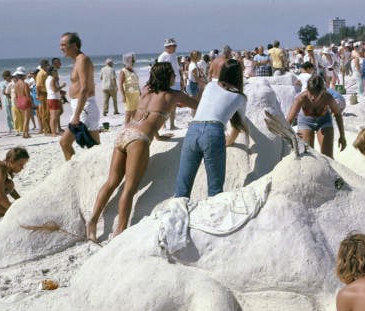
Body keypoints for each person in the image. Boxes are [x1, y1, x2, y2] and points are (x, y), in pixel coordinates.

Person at [87, 62, 198, 242]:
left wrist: (159, 136)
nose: (175, 77)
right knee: (130, 188)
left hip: (123, 133)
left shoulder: (146, 89)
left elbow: (147, 115)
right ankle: (119, 231)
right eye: (173, 74)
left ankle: (92, 222)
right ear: (167, 76)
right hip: (138, 139)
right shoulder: (174, 95)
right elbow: (199, 105)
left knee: (111, 181)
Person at [174, 59, 248, 199]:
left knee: (182, 186)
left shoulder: (210, 86)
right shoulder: (240, 97)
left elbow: (206, 104)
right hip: (214, 131)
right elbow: (237, 126)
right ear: (239, 76)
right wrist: (229, 141)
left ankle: (176, 217)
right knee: (215, 190)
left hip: (193, 130)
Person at [59, 32, 101, 161]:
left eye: (64, 44)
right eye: (60, 45)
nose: (61, 47)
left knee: (64, 143)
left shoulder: (83, 60)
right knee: (94, 147)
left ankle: (71, 170)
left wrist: (76, 115)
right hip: (84, 107)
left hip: (84, 107)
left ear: (75, 45)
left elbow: (84, 88)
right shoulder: (78, 60)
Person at [286, 74, 347, 159]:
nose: (313, 97)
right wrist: (287, 136)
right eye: (311, 93)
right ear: (307, 90)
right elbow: (289, 119)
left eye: (316, 94)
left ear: (322, 91)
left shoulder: (327, 97)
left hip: (324, 121)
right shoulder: (301, 98)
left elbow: (337, 114)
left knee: (327, 157)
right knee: (307, 156)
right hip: (305, 122)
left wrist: (342, 136)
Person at [158, 38, 182, 130]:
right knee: (165, 104)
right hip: (168, 83)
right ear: (168, 46)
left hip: (177, 82)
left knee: (174, 104)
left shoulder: (174, 55)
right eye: (174, 45)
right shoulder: (163, 57)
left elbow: (176, 69)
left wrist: (181, 81)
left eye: (175, 45)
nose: (176, 47)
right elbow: (159, 72)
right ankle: (163, 124)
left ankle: (172, 124)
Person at [119, 52, 140, 125]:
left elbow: (136, 82)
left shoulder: (133, 70)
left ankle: (132, 129)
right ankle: (126, 130)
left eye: (133, 61)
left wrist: (140, 92)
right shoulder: (123, 71)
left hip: (136, 95)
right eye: (132, 61)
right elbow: (120, 84)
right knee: (128, 113)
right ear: (127, 61)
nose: (133, 62)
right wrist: (123, 96)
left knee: (135, 113)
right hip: (128, 95)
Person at [14, 67, 33, 138]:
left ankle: (25, 133)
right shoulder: (25, 84)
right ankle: (25, 134)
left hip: (19, 101)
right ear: (22, 76)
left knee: (24, 118)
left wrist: (16, 103)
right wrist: (32, 103)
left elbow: (15, 96)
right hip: (25, 101)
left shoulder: (16, 84)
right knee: (26, 119)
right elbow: (28, 95)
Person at [46, 66, 64, 135]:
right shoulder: (52, 79)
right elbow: (54, 90)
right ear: (52, 72)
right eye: (55, 71)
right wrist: (62, 86)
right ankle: (53, 132)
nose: (56, 72)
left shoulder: (48, 79)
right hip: (53, 98)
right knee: (54, 116)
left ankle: (53, 131)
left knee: (53, 116)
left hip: (50, 98)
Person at [35, 59, 50, 134]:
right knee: (45, 113)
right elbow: (38, 86)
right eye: (47, 65)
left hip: (46, 94)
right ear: (44, 65)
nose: (48, 66)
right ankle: (46, 130)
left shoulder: (45, 73)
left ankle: (48, 129)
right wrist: (38, 96)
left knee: (48, 112)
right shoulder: (41, 74)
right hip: (43, 94)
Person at [1, 70, 14, 135]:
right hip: (7, 99)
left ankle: (15, 126)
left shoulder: (12, 82)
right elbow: (3, 92)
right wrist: (9, 95)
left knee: (14, 113)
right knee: (8, 114)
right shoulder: (4, 83)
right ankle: (10, 128)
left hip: (13, 98)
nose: (9, 77)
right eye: (6, 77)